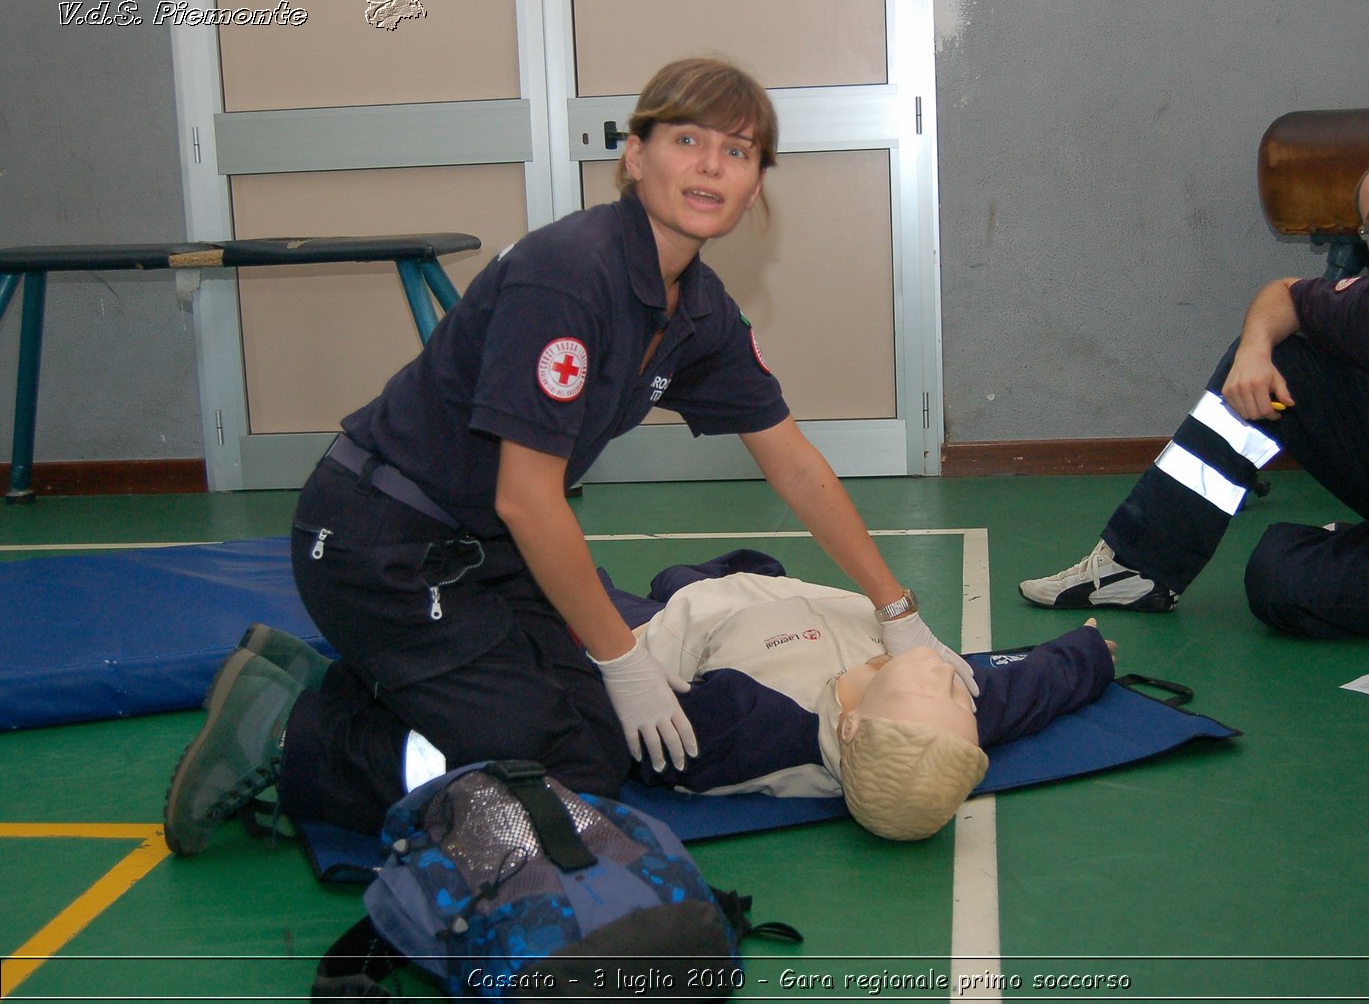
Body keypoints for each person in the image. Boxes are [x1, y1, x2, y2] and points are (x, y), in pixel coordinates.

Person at [163, 57, 973, 854]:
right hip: (381, 546)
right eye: (688, 139)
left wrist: (897, 615)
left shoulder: (698, 308)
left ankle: (333, 687)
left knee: (612, 741)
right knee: (565, 770)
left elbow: (794, 463)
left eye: (738, 151)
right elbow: (527, 498)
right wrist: (620, 657)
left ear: (757, 183)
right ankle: (293, 738)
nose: (711, 166)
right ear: (635, 153)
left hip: (478, 551)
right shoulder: (572, 273)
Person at [1020, 147, 1369, 640]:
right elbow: (1284, 294)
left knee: (1275, 576)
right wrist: (1252, 355)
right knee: (1280, 355)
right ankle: (1138, 565)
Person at [622, 569, 1116, 840]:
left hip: (681, 624)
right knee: (728, 568)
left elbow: (643, 740)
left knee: (612, 596)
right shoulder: (941, 725)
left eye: (928, 689)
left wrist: (617, 664)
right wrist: (1087, 653)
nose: (946, 674)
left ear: (852, 727)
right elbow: (1025, 693)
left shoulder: (750, 728)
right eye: (960, 700)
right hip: (781, 590)